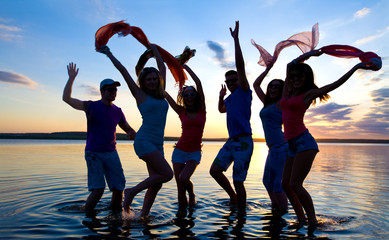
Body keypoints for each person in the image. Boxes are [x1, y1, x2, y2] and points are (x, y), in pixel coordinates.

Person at [281, 49, 378, 230]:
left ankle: (312, 221)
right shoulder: (287, 92)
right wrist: (308, 55)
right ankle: (301, 218)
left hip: (304, 142)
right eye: (293, 76)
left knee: (295, 183)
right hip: (291, 144)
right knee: (285, 184)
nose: (295, 78)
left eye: (300, 76)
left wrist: (357, 67)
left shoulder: (307, 95)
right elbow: (289, 66)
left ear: (306, 79)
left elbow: (335, 84)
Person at [100, 44, 173, 218]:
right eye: (149, 80)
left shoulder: (162, 93)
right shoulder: (140, 95)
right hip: (144, 140)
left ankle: (142, 216)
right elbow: (124, 71)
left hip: (158, 143)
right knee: (167, 174)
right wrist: (109, 54)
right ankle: (131, 192)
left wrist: (154, 47)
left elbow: (162, 66)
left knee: (157, 183)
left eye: (155, 79)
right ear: (143, 82)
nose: (153, 81)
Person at [62, 62, 136, 216]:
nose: (113, 92)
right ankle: (89, 218)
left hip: (111, 153)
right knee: (98, 190)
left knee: (118, 188)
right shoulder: (91, 106)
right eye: (110, 89)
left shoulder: (118, 111)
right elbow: (66, 99)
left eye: (115, 90)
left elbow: (128, 129)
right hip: (93, 153)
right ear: (102, 91)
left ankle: (115, 217)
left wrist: (138, 135)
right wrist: (71, 78)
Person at [209, 21, 253, 209]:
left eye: (233, 79)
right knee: (215, 170)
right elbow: (221, 110)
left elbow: (240, 66)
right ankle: (233, 198)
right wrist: (220, 97)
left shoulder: (244, 91)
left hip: (244, 141)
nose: (231, 82)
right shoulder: (230, 97)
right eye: (228, 81)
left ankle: (241, 215)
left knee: (238, 180)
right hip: (231, 141)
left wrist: (236, 40)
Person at [165, 64, 206, 217]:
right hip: (179, 151)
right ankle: (181, 219)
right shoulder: (181, 111)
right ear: (183, 97)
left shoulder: (202, 109)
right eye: (186, 95)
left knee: (183, 178)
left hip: (194, 152)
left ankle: (192, 195)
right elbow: (166, 95)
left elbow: (199, 83)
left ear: (196, 96)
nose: (189, 97)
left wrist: (184, 66)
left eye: (192, 94)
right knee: (179, 186)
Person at [253, 63, 289, 217]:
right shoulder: (267, 103)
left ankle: (282, 212)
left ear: (282, 90)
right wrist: (267, 69)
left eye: (277, 87)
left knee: (276, 183)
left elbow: (288, 84)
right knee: (267, 182)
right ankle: (276, 209)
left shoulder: (282, 103)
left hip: (281, 147)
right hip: (272, 148)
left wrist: (292, 65)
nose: (273, 89)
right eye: (271, 86)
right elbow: (255, 85)